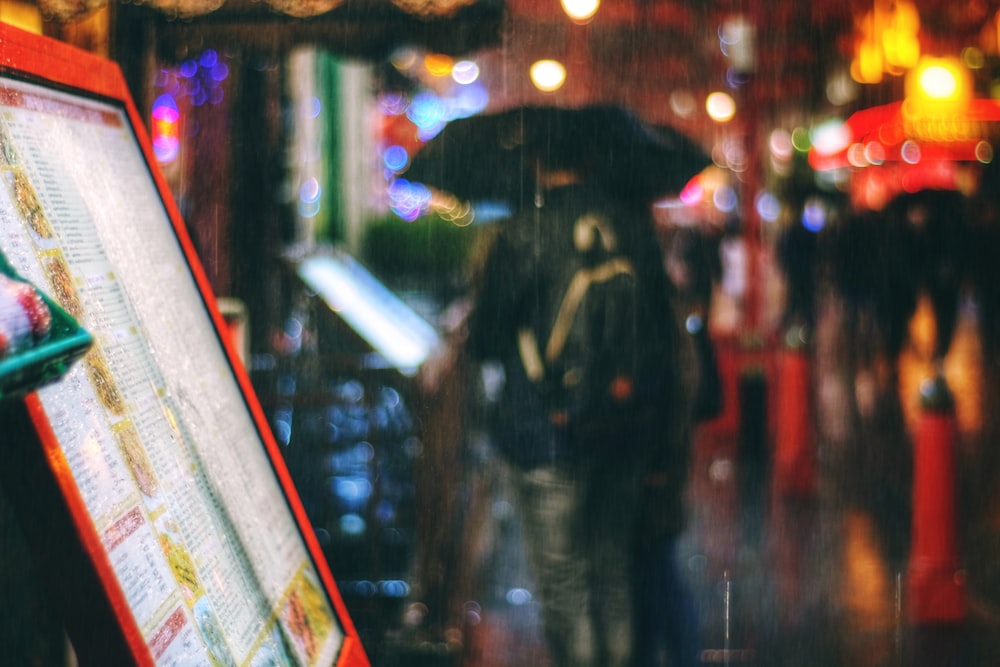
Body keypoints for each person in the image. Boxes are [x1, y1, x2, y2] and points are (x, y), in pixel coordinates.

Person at [463, 146, 698, 667]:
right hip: (623, 429)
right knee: (611, 575)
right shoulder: (632, 230)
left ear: (538, 166)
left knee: (566, 587)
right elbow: (660, 340)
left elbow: (485, 340)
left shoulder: (522, 232)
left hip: (544, 434)